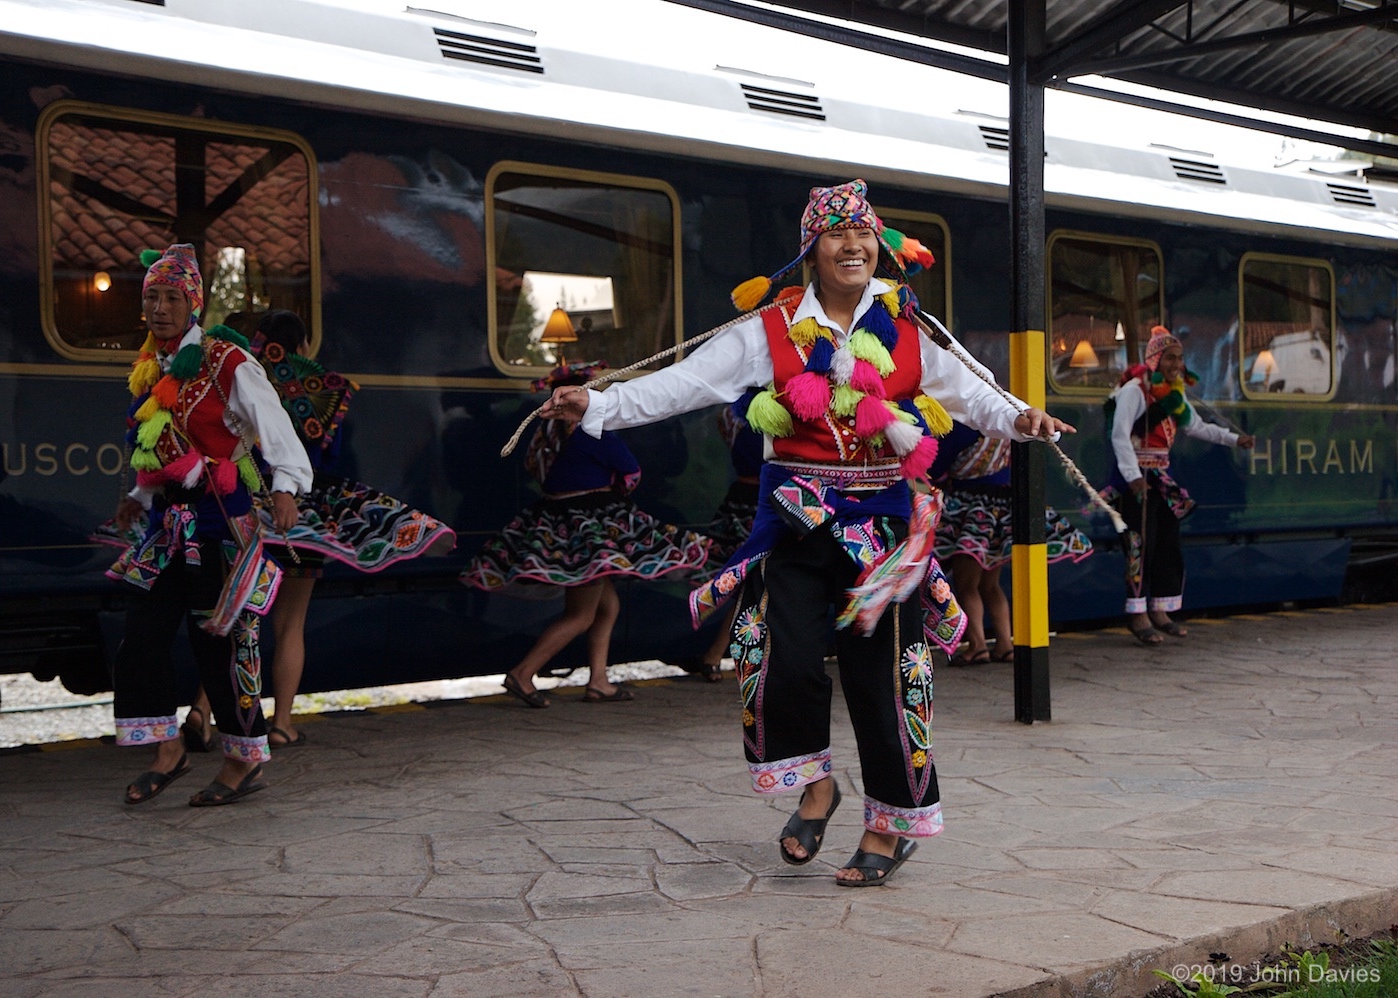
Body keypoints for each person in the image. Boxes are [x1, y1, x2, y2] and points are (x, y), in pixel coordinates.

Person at [537, 179, 1073, 886]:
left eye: (862, 234)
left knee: (885, 677)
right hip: (793, 520)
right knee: (775, 659)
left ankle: (889, 826)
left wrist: (1020, 417)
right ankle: (817, 788)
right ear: (812, 251)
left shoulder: (912, 328)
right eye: (834, 234)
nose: (851, 245)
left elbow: (973, 395)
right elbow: (684, 384)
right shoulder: (770, 328)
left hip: (883, 528)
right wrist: (597, 405)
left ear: (878, 246)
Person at [109, 244, 312, 807]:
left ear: (193, 303)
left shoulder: (227, 362)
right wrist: (138, 493)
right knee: (139, 639)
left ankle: (241, 761)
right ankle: (168, 749)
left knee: (219, 648)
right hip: (167, 525)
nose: (159, 308)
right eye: (152, 296)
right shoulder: (154, 367)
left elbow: (276, 427)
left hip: (221, 525)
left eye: (172, 297)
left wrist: (286, 487)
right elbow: (160, 448)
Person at [247, 309, 455, 747]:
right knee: (290, 625)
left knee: (235, 620)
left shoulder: (247, 378)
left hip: (250, 512)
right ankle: (281, 723)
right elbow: (332, 453)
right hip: (309, 519)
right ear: (302, 346)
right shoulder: (327, 389)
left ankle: (205, 712)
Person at [461, 361, 712, 707]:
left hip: (555, 519)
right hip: (592, 532)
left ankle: (598, 681)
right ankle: (522, 673)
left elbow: (533, 469)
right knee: (580, 614)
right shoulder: (595, 431)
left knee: (607, 607)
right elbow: (631, 472)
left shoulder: (543, 434)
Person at [1104, 326, 1254, 645]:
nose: (1177, 364)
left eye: (1180, 358)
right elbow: (1119, 435)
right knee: (1139, 545)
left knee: (1167, 545)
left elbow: (1195, 427)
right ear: (1155, 359)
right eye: (1170, 357)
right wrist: (1132, 477)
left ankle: (1161, 609)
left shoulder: (1175, 394)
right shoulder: (1135, 390)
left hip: (1162, 478)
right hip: (1138, 480)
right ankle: (1137, 613)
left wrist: (1233, 439)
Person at [931, 421, 1092, 666]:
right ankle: (1005, 645)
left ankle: (977, 645)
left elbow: (936, 465)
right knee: (990, 585)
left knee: (967, 583)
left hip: (972, 508)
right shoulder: (1002, 424)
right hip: (1002, 505)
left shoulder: (964, 427)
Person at [669, 397, 764, 683]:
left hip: (737, 500)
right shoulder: (780, 411)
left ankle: (713, 652)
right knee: (752, 584)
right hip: (764, 504)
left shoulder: (729, 415)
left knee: (739, 581)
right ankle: (718, 654)